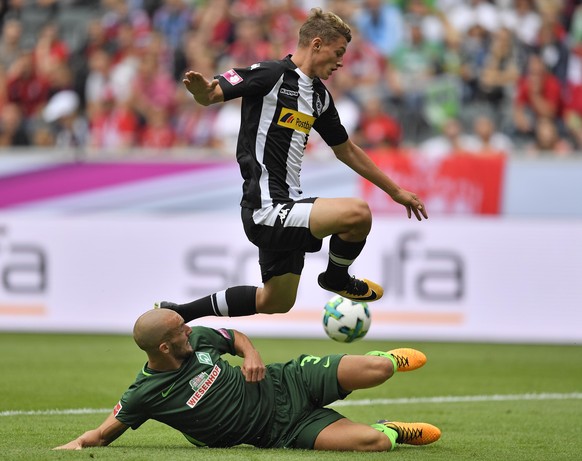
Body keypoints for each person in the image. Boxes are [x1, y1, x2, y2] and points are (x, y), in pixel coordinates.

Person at [162, 8, 427, 323]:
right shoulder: (269, 75)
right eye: (338, 52)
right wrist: (201, 91)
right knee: (357, 214)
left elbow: (347, 151)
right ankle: (337, 279)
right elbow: (212, 93)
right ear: (316, 44)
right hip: (265, 208)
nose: (341, 61)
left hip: (288, 207)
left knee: (276, 300)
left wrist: (395, 191)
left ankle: (181, 313)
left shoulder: (319, 98)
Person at [54, 308, 441, 452]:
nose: (189, 330)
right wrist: (69, 447)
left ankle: (384, 358)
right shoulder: (145, 395)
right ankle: (392, 430)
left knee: (380, 371)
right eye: (180, 331)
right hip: (281, 431)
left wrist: (252, 353)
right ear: (164, 347)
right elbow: (101, 435)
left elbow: (235, 338)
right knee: (372, 443)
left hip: (288, 381)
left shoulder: (197, 339)